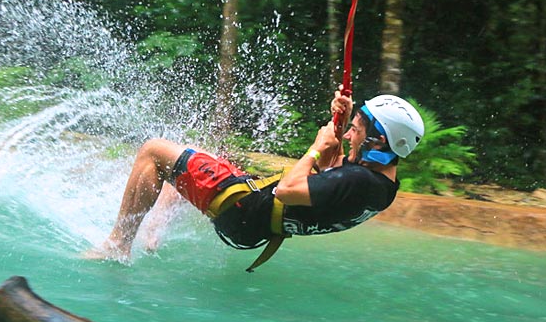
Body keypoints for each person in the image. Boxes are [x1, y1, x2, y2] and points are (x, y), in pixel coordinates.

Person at [86, 89, 425, 271]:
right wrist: (342, 120)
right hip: (256, 223)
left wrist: (316, 147)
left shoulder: (358, 179)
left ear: (378, 141)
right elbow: (332, 178)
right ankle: (155, 229)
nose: (350, 134)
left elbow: (288, 189)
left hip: (243, 208)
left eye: (357, 130)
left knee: (153, 151)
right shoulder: (383, 187)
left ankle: (117, 244)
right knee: (193, 153)